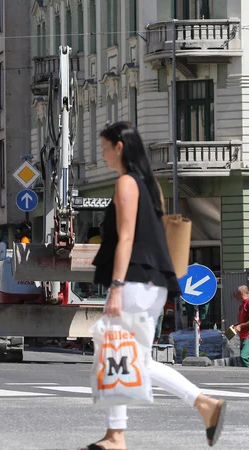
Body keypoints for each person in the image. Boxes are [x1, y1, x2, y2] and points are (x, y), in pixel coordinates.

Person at [83, 122, 226, 450]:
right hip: (153, 283)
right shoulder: (151, 186)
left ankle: (117, 435)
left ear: (120, 147)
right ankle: (203, 405)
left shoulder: (126, 183)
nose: (102, 154)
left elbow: (127, 237)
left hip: (134, 281)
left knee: (117, 351)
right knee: (133, 357)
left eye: (105, 148)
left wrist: (116, 286)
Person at [234, 286, 249, 368]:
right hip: (243, 336)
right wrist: (236, 325)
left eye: (236, 293)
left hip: (248, 336)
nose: (235, 295)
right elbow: (244, 321)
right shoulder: (242, 305)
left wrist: (240, 326)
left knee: (244, 357)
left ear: (241, 293)